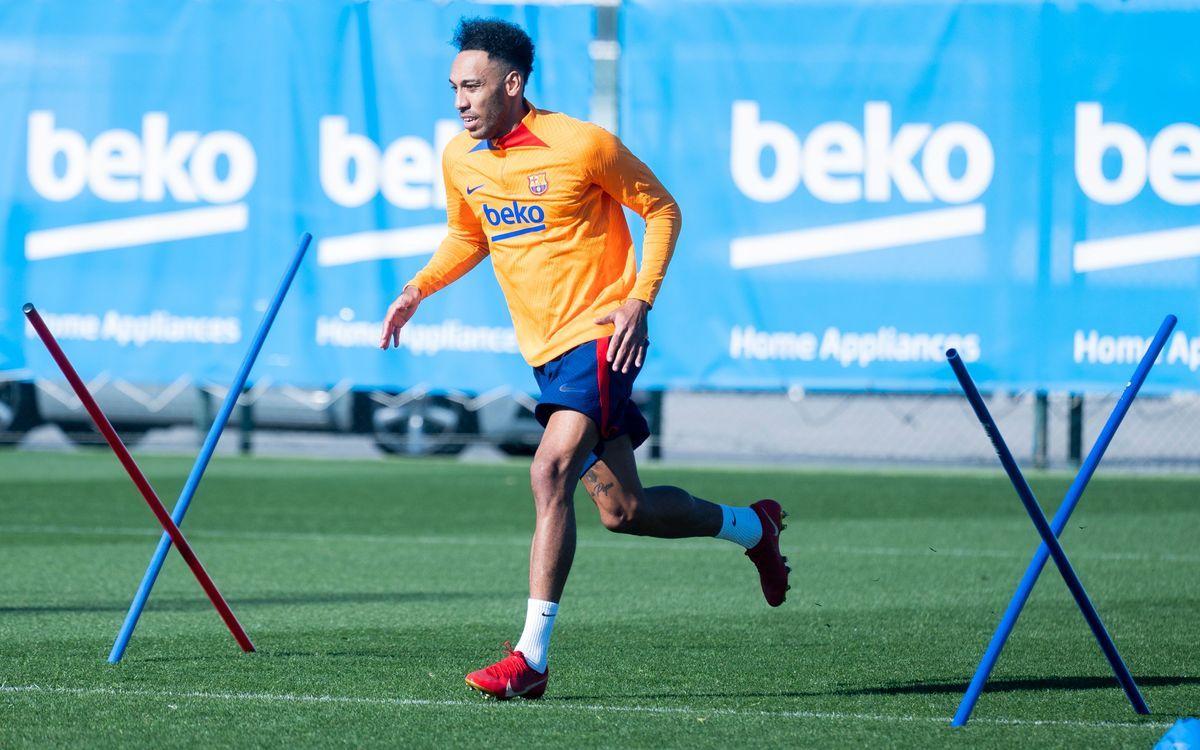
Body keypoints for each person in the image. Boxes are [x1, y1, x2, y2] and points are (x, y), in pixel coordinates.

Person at [379, 17, 790, 701]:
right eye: (454, 87)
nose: (460, 100)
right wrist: (417, 289)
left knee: (549, 470)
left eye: (473, 86)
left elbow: (661, 210)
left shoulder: (582, 145)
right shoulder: (462, 159)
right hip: (547, 355)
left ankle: (530, 659)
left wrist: (639, 299)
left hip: (602, 336)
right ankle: (755, 526)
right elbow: (465, 234)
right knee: (623, 511)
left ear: (512, 84)